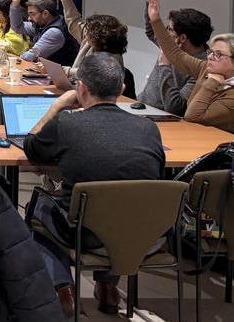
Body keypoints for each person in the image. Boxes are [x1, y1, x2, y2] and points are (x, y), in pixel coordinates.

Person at [21, 53, 165, 315]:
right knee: (120, 202)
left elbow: (32, 148)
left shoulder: (67, 123)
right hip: (142, 234)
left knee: (40, 205)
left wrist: (56, 107)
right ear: (122, 89)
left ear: (81, 88)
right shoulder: (149, 128)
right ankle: (108, 286)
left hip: (84, 235)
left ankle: (62, 287)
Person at [147, 0, 234, 136]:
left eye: (218, 54)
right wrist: (155, 19)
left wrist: (211, 82)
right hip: (198, 137)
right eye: (211, 52)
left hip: (227, 146)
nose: (210, 57)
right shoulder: (206, 68)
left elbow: (192, 116)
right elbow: (176, 55)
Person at [139, 0, 212, 115]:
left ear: (183, 38)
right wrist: (150, 0)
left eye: (170, 29)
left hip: (162, 119)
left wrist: (164, 65)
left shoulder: (202, 67)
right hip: (142, 106)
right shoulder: (172, 44)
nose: (165, 32)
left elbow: (175, 107)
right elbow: (151, 31)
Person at [10, 0, 79, 66]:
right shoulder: (42, 25)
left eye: (32, 14)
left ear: (45, 14)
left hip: (61, 73)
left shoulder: (54, 32)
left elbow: (30, 56)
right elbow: (18, 27)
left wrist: (20, 56)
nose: (29, 18)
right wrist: (14, 5)